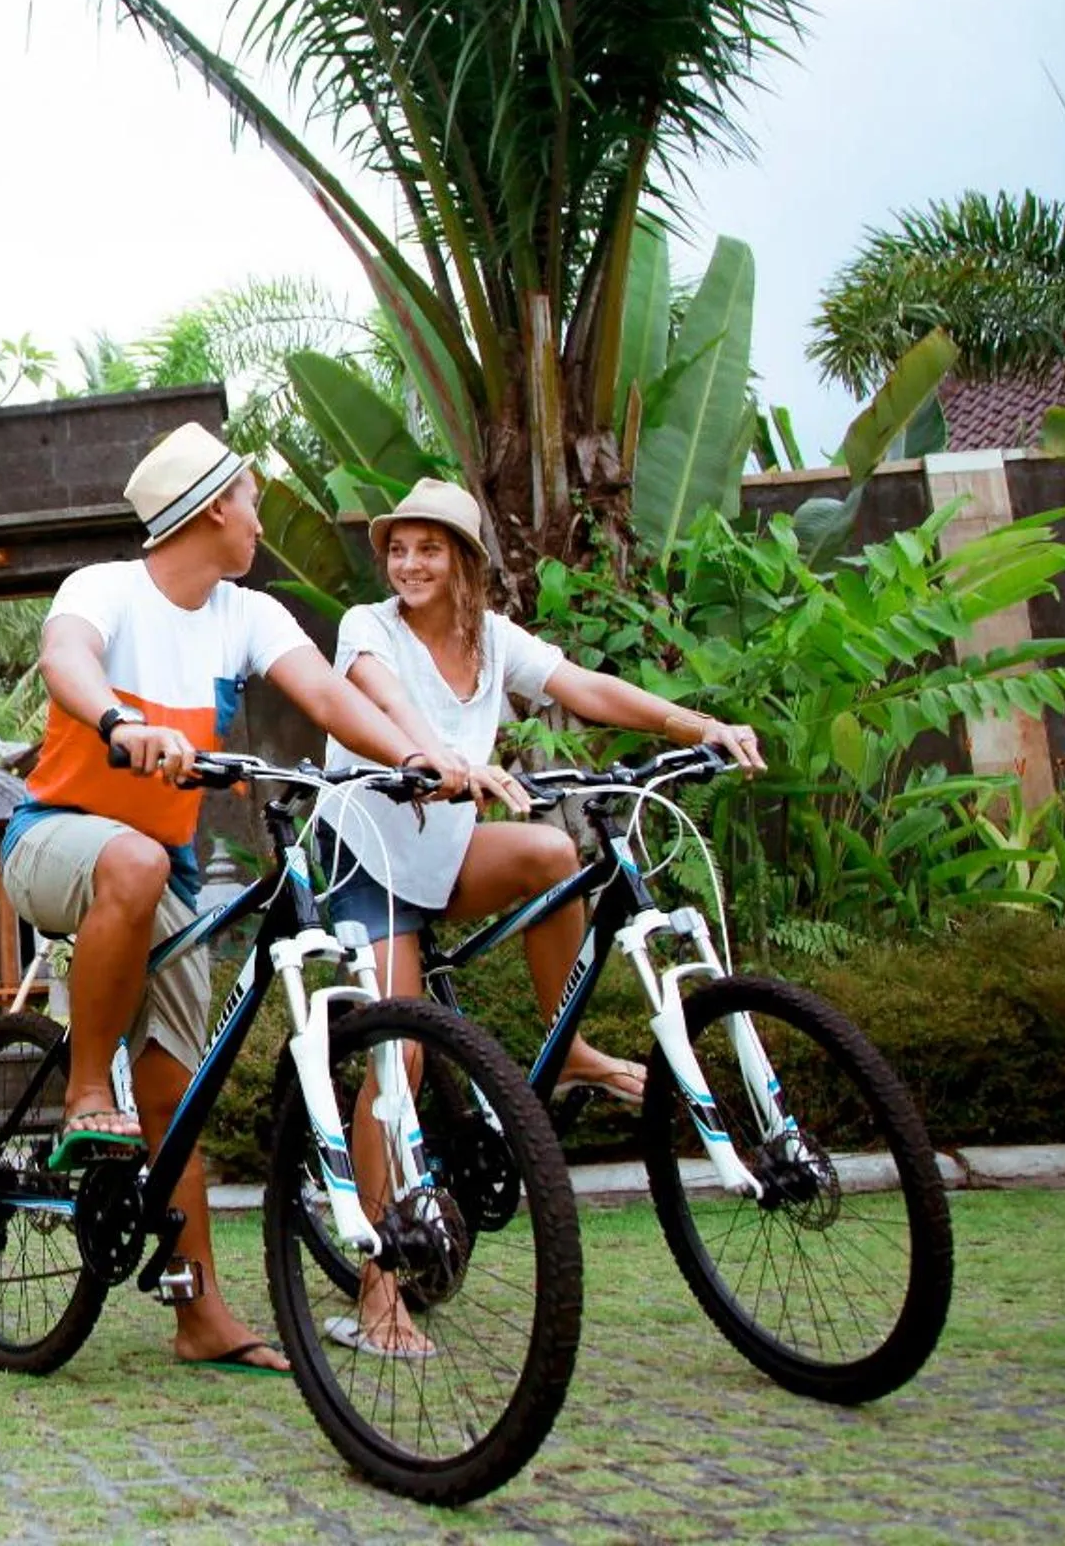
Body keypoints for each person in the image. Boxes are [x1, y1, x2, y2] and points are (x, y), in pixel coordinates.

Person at [1, 421, 443, 1377]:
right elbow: (66, 659)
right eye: (250, 499)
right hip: (51, 841)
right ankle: (83, 1089)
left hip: (163, 868)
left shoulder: (247, 615)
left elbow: (327, 697)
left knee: (177, 1086)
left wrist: (414, 758)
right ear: (211, 510)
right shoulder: (104, 590)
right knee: (134, 863)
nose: (259, 517)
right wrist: (121, 722)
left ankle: (198, 1312)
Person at [318, 475, 764, 1357]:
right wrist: (438, 754)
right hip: (366, 857)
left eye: (429, 548)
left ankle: (571, 1053)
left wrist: (694, 723)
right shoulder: (367, 629)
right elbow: (383, 701)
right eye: (399, 548)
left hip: (441, 852)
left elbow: (585, 685)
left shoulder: (491, 642)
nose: (409, 563)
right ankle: (376, 1289)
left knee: (554, 856)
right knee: (398, 1061)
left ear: (465, 562)